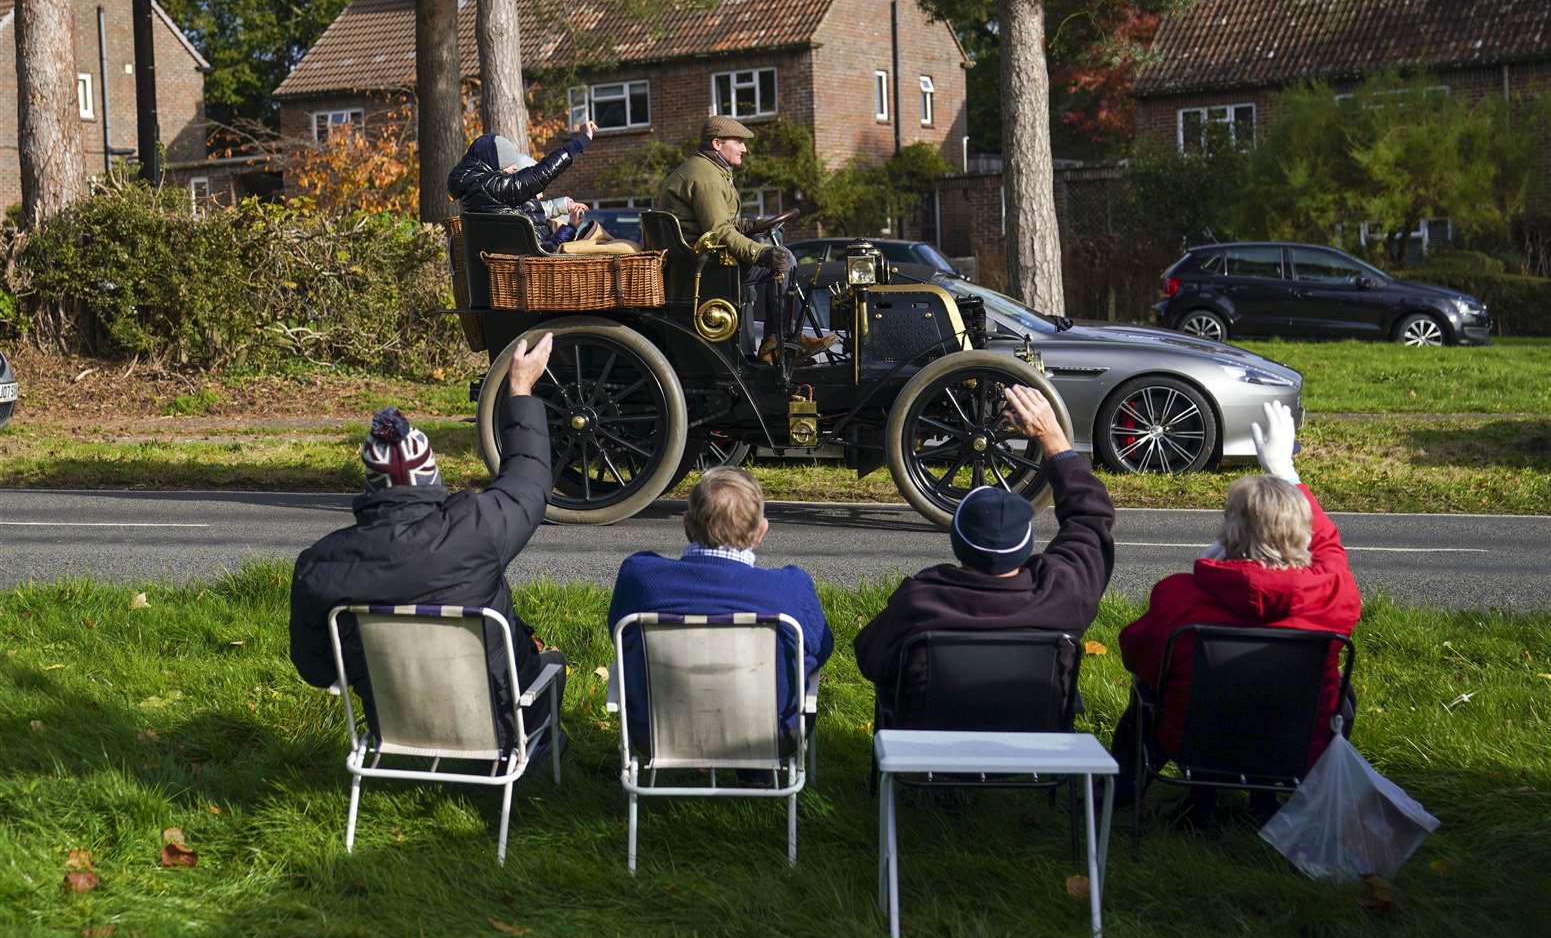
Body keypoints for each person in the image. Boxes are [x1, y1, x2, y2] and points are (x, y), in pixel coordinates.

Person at [289, 333, 565, 751]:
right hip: (499, 723)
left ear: (370, 484)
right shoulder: (477, 528)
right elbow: (527, 481)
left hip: (393, 724)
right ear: (431, 477)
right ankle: (543, 751)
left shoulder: (321, 565)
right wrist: (520, 389)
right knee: (552, 663)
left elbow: (316, 669)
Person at [1113, 399, 1361, 822]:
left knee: (1150, 689)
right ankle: (1267, 803)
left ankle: (1124, 795)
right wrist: (1285, 472)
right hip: (1297, 744)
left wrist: (1208, 566)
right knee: (1343, 693)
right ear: (1302, 535)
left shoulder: (1179, 596)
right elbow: (1330, 548)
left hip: (1193, 741)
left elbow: (1136, 655)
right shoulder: (1333, 595)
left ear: (1228, 532)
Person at [854, 386, 1115, 714]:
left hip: (932, 753)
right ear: (1026, 545)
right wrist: (1052, 438)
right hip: (1035, 746)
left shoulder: (921, 600)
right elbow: (1090, 521)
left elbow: (870, 658)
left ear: (957, 543)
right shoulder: (1062, 593)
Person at [607, 466, 834, 754]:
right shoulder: (790, 589)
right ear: (760, 530)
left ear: (686, 523)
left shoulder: (641, 578)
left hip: (655, 734)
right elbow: (821, 648)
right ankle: (755, 770)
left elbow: (617, 635)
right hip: (772, 736)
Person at [657, 115, 833, 364]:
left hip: (697, 262)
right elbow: (718, 230)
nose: (744, 148)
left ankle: (778, 340)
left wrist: (752, 225)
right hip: (704, 268)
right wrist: (761, 254)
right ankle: (776, 341)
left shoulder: (706, 170)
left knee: (780, 257)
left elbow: (716, 222)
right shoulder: (706, 177)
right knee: (785, 262)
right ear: (717, 143)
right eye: (738, 142)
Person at [448, 125, 596, 252]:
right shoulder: (491, 187)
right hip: (532, 269)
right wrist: (582, 142)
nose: (514, 169)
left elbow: (527, 209)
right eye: (510, 170)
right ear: (496, 165)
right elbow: (541, 174)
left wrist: (563, 205)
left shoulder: (476, 190)